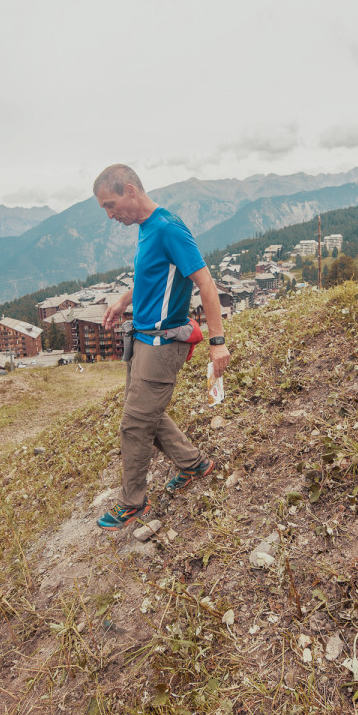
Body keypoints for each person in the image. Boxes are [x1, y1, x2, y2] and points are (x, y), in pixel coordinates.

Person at [93, 164, 231, 530]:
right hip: (141, 340)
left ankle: (132, 503)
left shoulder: (169, 229)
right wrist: (125, 300)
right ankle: (194, 464)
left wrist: (218, 344)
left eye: (110, 205)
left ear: (129, 190)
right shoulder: (145, 228)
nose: (109, 215)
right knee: (145, 414)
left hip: (161, 345)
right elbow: (151, 278)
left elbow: (207, 284)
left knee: (134, 425)